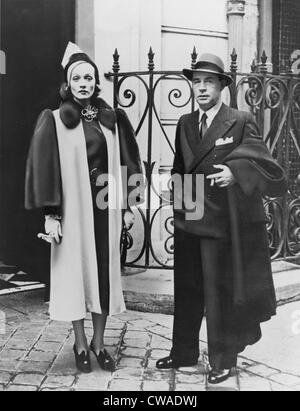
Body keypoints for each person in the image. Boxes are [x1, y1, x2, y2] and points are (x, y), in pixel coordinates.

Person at [156, 53, 287, 384]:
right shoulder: (186, 122)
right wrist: (173, 193)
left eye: (208, 82)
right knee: (187, 288)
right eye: (196, 82)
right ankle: (183, 351)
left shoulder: (240, 120)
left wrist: (235, 171)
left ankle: (222, 359)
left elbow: (269, 169)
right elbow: (180, 166)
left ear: (222, 86)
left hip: (223, 225)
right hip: (190, 216)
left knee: (219, 294)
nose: (201, 88)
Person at [25, 42, 143, 374]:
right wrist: (51, 214)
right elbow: (45, 168)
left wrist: (129, 204)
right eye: (77, 78)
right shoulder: (54, 120)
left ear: (95, 82)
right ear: (68, 82)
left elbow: (129, 162)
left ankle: (99, 343)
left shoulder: (112, 119)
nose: (84, 84)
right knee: (75, 277)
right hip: (73, 212)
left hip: (105, 212)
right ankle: (79, 342)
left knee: (103, 277)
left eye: (89, 78)